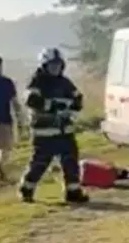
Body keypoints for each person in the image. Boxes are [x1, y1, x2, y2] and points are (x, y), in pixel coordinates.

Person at [18, 47, 88, 204]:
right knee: (40, 163)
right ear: (44, 65)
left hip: (65, 131)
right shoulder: (36, 81)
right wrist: (54, 106)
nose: (55, 68)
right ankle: (26, 189)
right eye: (52, 65)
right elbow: (31, 100)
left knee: (71, 162)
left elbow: (78, 99)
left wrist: (69, 105)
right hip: (44, 133)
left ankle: (73, 192)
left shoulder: (65, 82)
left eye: (58, 65)